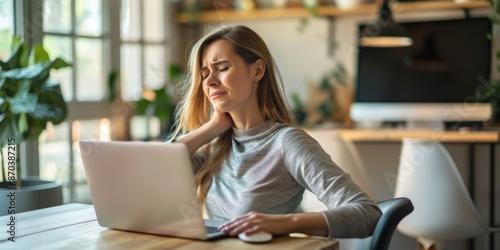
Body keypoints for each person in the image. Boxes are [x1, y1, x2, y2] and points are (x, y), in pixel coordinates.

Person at [170, 24, 381, 239]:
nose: (211, 81)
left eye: (222, 68)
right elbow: (158, 168)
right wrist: (212, 127)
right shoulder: (215, 146)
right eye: (204, 74)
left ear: (257, 70)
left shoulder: (287, 143)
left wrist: (284, 223)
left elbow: (367, 214)